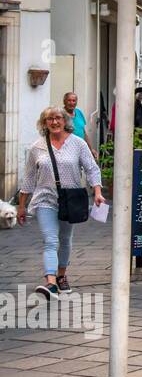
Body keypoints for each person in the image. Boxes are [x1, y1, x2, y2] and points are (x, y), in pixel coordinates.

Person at [17, 107, 104, 299]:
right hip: (45, 200)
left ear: (65, 121)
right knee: (50, 240)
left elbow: (91, 169)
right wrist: (21, 206)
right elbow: (29, 177)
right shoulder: (37, 147)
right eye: (50, 119)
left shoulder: (78, 144)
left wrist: (97, 191)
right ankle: (51, 283)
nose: (54, 122)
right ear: (44, 123)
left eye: (58, 118)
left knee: (65, 240)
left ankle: (62, 276)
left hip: (70, 201)